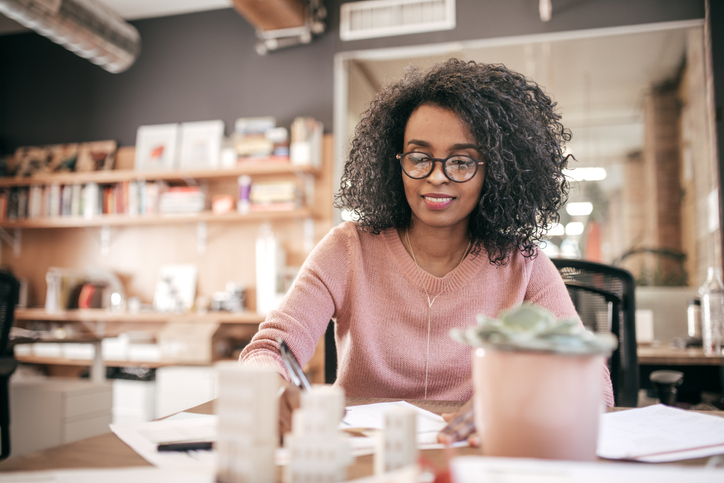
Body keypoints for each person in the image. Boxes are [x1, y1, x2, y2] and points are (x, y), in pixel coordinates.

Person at [239, 58, 614, 443]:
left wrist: (515, 403)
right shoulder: (346, 249)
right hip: (366, 460)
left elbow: (593, 384)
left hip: (470, 460)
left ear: (495, 170)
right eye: (420, 157)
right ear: (396, 161)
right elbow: (269, 348)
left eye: (461, 161)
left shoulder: (524, 264)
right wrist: (271, 386)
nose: (437, 176)